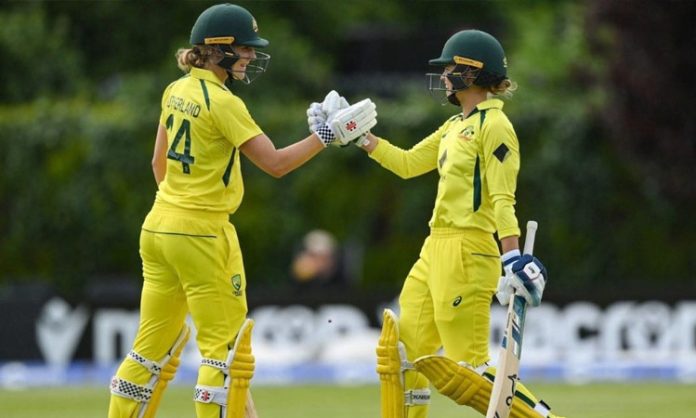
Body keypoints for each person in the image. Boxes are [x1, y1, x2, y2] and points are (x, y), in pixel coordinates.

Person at [106, 4, 375, 418]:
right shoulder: (223, 102)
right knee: (224, 357)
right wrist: (327, 135)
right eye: (245, 48)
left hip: (159, 226)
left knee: (147, 350)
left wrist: (180, 208)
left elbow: (158, 165)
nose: (250, 56)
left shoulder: (175, 90)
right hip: (202, 232)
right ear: (220, 50)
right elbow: (277, 164)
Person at [315, 30, 562, 417]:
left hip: (469, 250)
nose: (444, 76)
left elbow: (502, 197)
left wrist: (511, 255)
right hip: (435, 248)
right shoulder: (453, 126)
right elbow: (409, 163)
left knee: (468, 371)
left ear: (472, 71)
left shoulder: (494, 127)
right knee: (404, 353)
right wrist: (360, 138)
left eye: (450, 68)